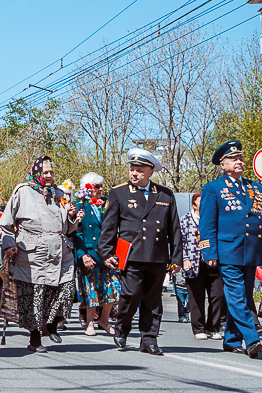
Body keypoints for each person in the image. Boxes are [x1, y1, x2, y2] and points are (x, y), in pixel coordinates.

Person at [98, 148, 181, 356]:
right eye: (132, 169)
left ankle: (149, 339)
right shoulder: (119, 193)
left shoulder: (165, 194)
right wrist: (107, 252)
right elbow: (109, 226)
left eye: (139, 170)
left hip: (157, 256)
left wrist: (177, 257)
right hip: (131, 255)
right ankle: (122, 328)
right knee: (131, 294)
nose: (134, 173)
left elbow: (174, 229)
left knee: (153, 300)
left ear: (150, 172)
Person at [198, 140, 262, 358]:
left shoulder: (256, 188)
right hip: (228, 251)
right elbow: (207, 224)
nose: (239, 161)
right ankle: (252, 339)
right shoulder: (213, 188)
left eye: (241, 158)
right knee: (236, 296)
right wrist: (209, 252)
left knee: (243, 295)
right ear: (223, 165)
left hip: (252, 252)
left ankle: (231, 339)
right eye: (234, 159)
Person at [0, 156, 80, 353]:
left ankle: (52, 324)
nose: (49, 175)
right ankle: (35, 338)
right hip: (32, 252)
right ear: (36, 173)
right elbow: (6, 224)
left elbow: (69, 229)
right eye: (45, 172)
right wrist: (9, 245)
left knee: (66, 289)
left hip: (60, 251)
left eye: (51, 172)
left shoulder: (61, 193)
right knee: (36, 296)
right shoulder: (23, 191)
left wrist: (71, 216)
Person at [72, 172, 118, 336]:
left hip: (107, 252)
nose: (100, 189)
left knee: (113, 288)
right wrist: (83, 255)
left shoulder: (106, 203)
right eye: (96, 186)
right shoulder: (79, 205)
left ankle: (104, 320)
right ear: (87, 188)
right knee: (91, 290)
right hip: (89, 252)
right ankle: (89, 323)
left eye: (100, 186)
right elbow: (75, 233)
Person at [180, 192, 226, 341]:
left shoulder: (215, 220)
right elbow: (179, 242)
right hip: (193, 264)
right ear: (194, 204)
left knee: (218, 295)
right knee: (196, 297)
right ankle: (198, 328)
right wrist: (184, 259)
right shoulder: (185, 220)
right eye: (201, 202)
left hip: (213, 263)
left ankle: (213, 327)